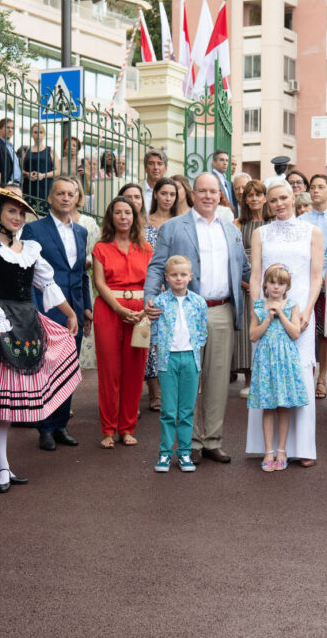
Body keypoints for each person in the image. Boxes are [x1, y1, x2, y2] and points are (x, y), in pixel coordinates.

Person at [0, 187, 82, 492]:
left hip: (24, 323)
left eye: (21, 213)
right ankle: (1, 465)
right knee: (0, 401)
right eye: (11, 212)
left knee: (4, 403)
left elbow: (48, 283)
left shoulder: (30, 248)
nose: (17, 217)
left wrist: (70, 313)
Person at [144, 172, 251, 464]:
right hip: (183, 312)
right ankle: (189, 442)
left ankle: (212, 441)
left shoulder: (231, 229)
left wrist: (272, 284)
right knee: (187, 379)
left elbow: (245, 270)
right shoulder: (173, 227)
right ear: (192, 194)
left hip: (221, 311)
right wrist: (150, 300)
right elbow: (156, 267)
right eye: (202, 191)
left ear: (220, 195)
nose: (207, 196)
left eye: (213, 191)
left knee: (217, 380)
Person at [245, 179, 323, 466]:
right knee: (269, 373)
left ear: (293, 197)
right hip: (267, 311)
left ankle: (302, 448)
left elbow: (317, 276)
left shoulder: (313, 231)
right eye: (272, 200)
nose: (278, 203)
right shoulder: (261, 233)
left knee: (300, 373)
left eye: (283, 198)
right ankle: (267, 447)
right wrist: (257, 309)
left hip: (299, 310)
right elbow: (255, 275)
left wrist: (308, 310)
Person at [20, 177, 93, 451]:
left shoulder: (82, 232)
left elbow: (81, 274)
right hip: (47, 308)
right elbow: (27, 273)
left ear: (77, 198)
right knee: (48, 367)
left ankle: (62, 424)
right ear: (50, 198)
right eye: (60, 193)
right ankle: (46, 427)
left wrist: (86, 308)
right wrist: (34, 311)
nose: (65, 198)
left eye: (70, 194)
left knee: (69, 367)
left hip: (74, 308)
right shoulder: (34, 229)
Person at [93, 196, 153, 448]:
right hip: (109, 310)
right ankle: (108, 430)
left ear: (135, 216)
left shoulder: (147, 248)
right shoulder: (101, 248)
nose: (123, 217)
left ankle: (127, 428)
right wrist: (118, 308)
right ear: (110, 217)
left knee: (135, 371)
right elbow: (99, 283)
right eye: (117, 212)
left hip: (140, 312)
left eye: (127, 212)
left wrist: (144, 311)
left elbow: (152, 282)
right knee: (110, 372)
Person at [249, 264, 310, 472]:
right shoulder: (258, 305)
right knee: (268, 405)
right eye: (272, 282)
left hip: (285, 359)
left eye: (281, 283)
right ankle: (268, 451)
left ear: (287, 286)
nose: (276, 287)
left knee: (283, 406)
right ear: (265, 284)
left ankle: (282, 450)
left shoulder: (292, 305)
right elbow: (253, 335)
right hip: (266, 359)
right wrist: (268, 317)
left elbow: (295, 333)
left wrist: (281, 314)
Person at [151, 256, 208, 473]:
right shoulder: (160, 302)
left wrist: (196, 349)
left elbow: (202, 329)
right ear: (167, 277)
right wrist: (159, 350)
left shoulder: (198, 302)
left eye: (183, 275)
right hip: (168, 360)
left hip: (190, 359)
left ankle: (184, 452)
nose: (178, 279)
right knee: (168, 410)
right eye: (174, 275)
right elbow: (154, 331)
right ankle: (164, 454)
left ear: (190, 277)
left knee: (186, 410)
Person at [300, 174, 327, 410]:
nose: (315, 190)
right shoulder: (302, 219)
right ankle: (307, 382)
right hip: (305, 284)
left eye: (320, 187)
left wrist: (326, 275)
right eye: (312, 186)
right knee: (305, 332)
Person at [143, 178, 183, 411]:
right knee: (152, 341)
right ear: (156, 194)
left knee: (174, 340)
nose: (168, 198)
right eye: (164, 193)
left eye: (172, 194)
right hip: (151, 285)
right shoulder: (144, 222)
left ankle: (173, 390)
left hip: (176, 286)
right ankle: (154, 392)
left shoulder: (181, 223)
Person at [232, 180, 271, 398]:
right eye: (250, 195)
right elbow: (233, 258)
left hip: (271, 283)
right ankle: (248, 379)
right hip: (245, 285)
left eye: (258, 194)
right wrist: (247, 283)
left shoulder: (273, 222)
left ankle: (265, 377)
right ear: (244, 199)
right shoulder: (238, 224)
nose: (254, 198)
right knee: (247, 330)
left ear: (265, 197)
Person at [21, 122, 59, 212]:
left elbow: (58, 171)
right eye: (35, 132)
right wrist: (27, 174)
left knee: (44, 212)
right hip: (29, 187)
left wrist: (43, 175)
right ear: (31, 134)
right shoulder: (26, 150)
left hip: (45, 188)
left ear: (44, 134)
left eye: (40, 132)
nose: (38, 135)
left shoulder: (50, 150)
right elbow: (21, 170)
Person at [0, 117, 21, 187]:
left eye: (12, 128)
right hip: (5, 185)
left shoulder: (12, 148)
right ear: (0, 129)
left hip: (16, 185)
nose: (10, 130)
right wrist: (2, 185)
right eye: (7, 127)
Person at [211, 149, 236, 214]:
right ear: (214, 162)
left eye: (227, 160)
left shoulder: (227, 182)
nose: (225, 163)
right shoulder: (210, 179)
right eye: (222, 160)